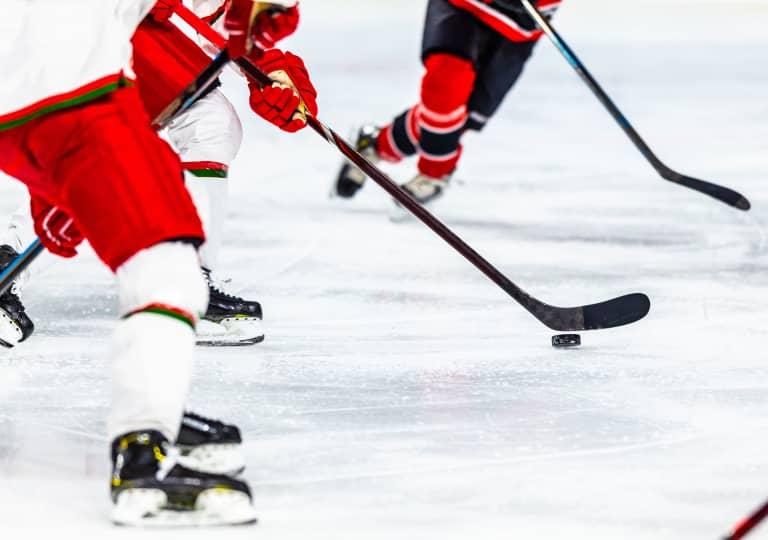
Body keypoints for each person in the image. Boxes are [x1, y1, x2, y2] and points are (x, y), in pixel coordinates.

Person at [0, 0, 313, 525]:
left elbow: (239, 27)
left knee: (204, 129)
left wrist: (276, 70)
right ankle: (144, 448)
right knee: (163, 264)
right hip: (79, 84)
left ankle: (150, 418)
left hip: (67, 75)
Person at [0, 0, 311, 347]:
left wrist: (268, 68)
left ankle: (188, 282)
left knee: (209, 124)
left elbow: (222, 14)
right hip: (61, 32)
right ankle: (9, 263)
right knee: (90, 152)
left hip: (129, 33)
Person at [333, 0, 561, 206]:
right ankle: (435, 173)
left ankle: (377, 144)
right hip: (462, 8)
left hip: (517, 29)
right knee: (446, 82)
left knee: (465, 115)